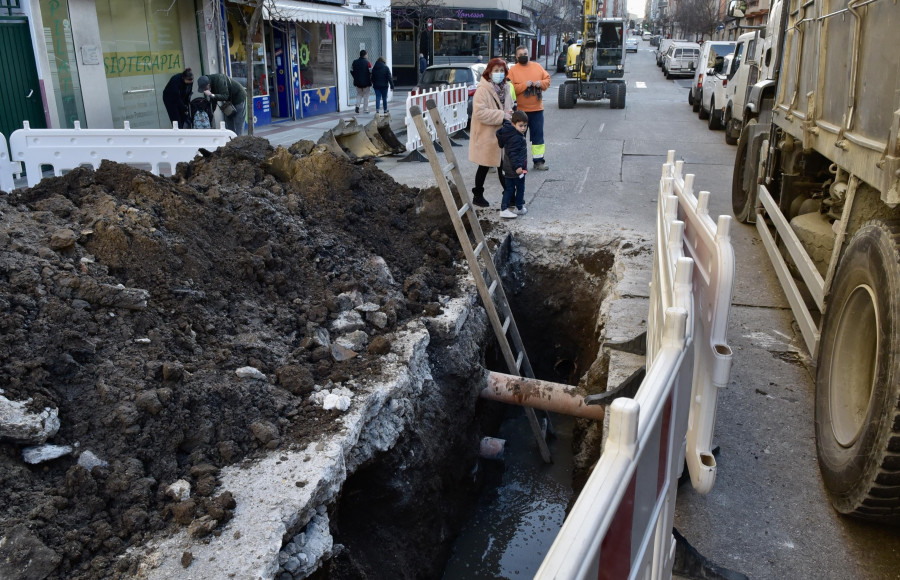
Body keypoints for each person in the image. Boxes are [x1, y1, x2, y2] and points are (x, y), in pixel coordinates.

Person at [468, 57, 514, 208]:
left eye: (502, 71)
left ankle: (507, 196)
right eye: (496, 71)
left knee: (501, 166)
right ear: (489, 72)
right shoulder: (482, 90)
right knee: (486, 165)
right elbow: (480, 113)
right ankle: (479, 195)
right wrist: (502, 115)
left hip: (501, 135)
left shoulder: (506, 88)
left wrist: (510, 113)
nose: (499, 73)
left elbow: (509, 106)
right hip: (486, 135)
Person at [507, 45, 551, 170]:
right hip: (520, 111)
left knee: (538, 137)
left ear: (529, 54)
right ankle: (519, 163)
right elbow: (510, 89)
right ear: (516, 57)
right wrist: (524, 85)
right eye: (521, 55)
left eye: (525, 54)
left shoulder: (537, 67)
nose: (523, 56)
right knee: (518, 138)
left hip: (537, 110)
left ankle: (538, 161)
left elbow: (547, 80)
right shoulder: (513, 71)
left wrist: (540, 83)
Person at [495, 110, 530, 219]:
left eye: (525, 125)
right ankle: (516, 208)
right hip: (515, 169)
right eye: (521, 126)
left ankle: (507, 208)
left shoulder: (511, 133)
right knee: (519, 188)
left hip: (508, 169)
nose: (523, 128)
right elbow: (513, 154)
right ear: (514, 124)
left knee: (509, 189)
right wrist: (518, 167)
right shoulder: (516, 137)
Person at [351, 49, 372, 114]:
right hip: (366, 82)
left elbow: (351, 70)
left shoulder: (354, 62)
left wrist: (355, 77)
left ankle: (357, 107)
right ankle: (365, 109)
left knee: (359, 95)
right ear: (365, 55)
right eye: (367, 54)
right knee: (366, 96)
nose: (367, 55)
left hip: (357, 82)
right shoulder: (367, 63)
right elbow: (371, 71)